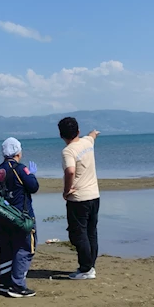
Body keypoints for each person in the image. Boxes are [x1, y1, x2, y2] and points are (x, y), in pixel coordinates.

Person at [0, 137, 40, 298]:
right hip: (21, 217)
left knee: (6, 249)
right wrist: (31, 175)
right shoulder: (20, 169)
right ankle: (17, 285)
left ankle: (4, 282)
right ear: (18, 152)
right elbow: (33, 187)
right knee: (25, 248)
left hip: (3, 218)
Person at [58, 117, 101, 280]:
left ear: (61, 135)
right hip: (94, 196)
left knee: (78, 234)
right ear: (78, 131)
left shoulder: (68, 151)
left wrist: (66, 190)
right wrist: (95, 132)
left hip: (79, 198)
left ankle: (86, 268)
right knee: (91, 232)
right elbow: (92, 136)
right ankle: (90, 266)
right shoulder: (87, 142)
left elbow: (70, 171)